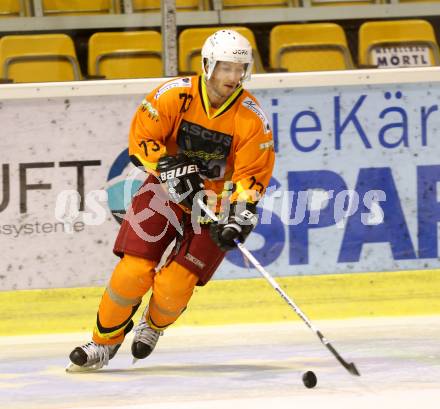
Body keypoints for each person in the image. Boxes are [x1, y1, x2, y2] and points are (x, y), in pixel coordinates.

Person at [66, 29, 275, 372]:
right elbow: (143, 139)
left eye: (240, 69)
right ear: (208, 66)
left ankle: (154, 324)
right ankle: (103, 342)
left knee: (175, 286)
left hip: (214, 204)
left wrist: (240, 215)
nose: (233, 77)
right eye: (225, 68)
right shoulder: (173, 95)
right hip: (163, 192)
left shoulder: (251, 118)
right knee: (132, 271)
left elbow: (252, 175)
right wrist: (166, 165)